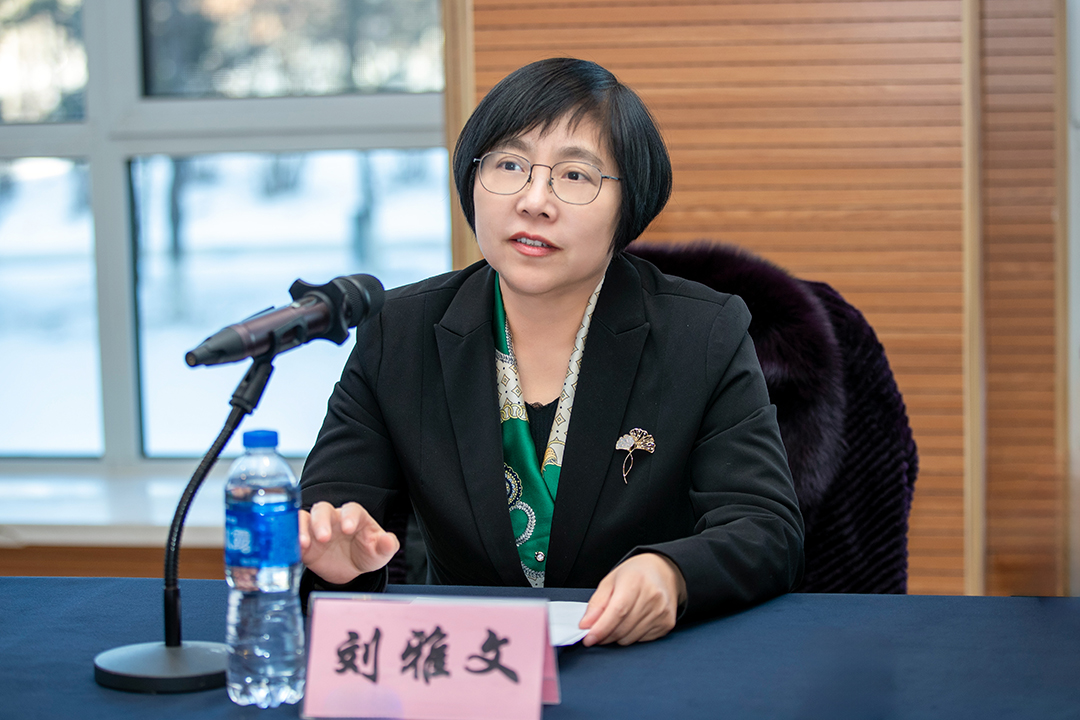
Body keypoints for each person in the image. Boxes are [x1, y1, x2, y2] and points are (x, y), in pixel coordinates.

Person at [298, 57, 804, 647]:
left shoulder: (702, 334)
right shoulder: (399, 332)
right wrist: (337, 560)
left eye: (575, 175)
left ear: (629, 205)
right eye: (510, 165)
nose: (534, 201)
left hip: (638, 661)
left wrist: (674, 573)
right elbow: (334, 511)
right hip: (468, 664)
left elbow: (766, 528)